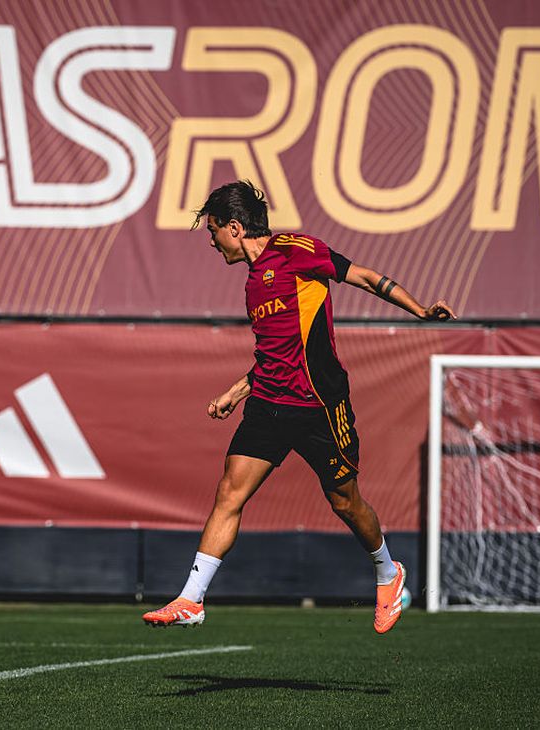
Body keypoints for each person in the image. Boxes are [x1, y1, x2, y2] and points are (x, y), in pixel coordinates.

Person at [142, 180, 456, 633]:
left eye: (213, 231)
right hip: (269, 405)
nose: (211, 242)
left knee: (345, 502)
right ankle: (192, 599)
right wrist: (236, 392)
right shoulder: (252, 284)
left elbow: (366, 277)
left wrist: (420, 311)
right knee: (230, 492)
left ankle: (388, 573)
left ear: (234, 227)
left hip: (319, 406)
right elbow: (274, 357)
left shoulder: (294, 249)